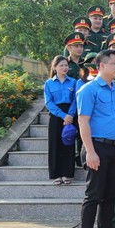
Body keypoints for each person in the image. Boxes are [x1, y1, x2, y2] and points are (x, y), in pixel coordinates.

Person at [76, 50, 115, 228]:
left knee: (111, 195)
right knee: (93, 195)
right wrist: (90, 151)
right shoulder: (88, 90)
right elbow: (83, 122)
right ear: (102, 66)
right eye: (114, 63)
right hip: (97, 147)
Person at [44, 56, 77, 186]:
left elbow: (75, 100)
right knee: (55, 145)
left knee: (68, 144)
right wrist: (63, 115)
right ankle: (56, 174)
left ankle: (66, 174)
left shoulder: (73, 82)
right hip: (56, 116)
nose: (64, 68)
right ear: (55, 67)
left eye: (66, 65)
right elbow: (49, 102)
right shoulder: (49, 83)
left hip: (70, 114)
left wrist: (70, 115)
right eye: (61, 65)